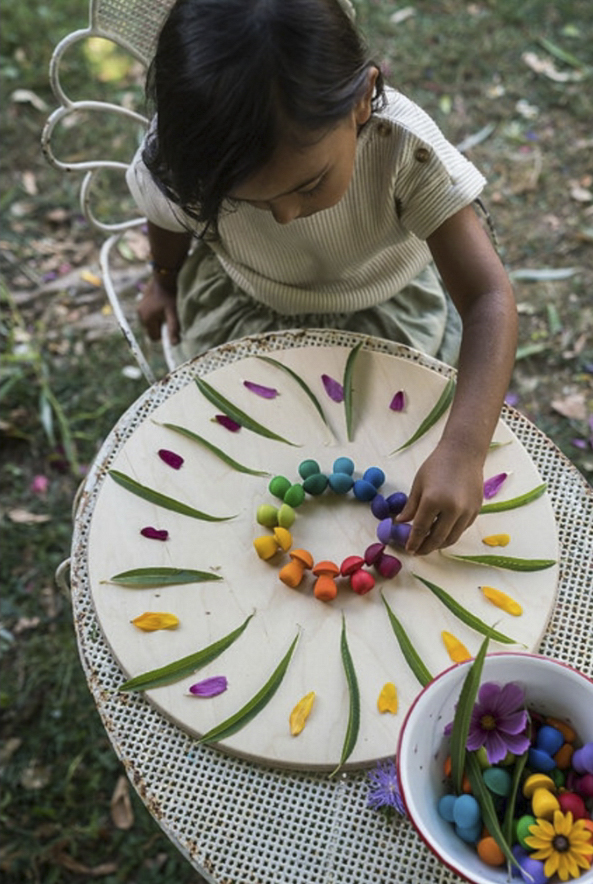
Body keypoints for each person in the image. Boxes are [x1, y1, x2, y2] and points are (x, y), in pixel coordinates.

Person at [126, 0, 518, 557]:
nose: (285, 215)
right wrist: (163, 279)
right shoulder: (190, 153)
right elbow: (166, 214)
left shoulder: (403, 149)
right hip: (249, 309)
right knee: (252, 469)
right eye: (251, 203)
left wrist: (464, 448)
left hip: (384, 313)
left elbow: (488, 297)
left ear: (362, 99)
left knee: (379, 449)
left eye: (308, 185)